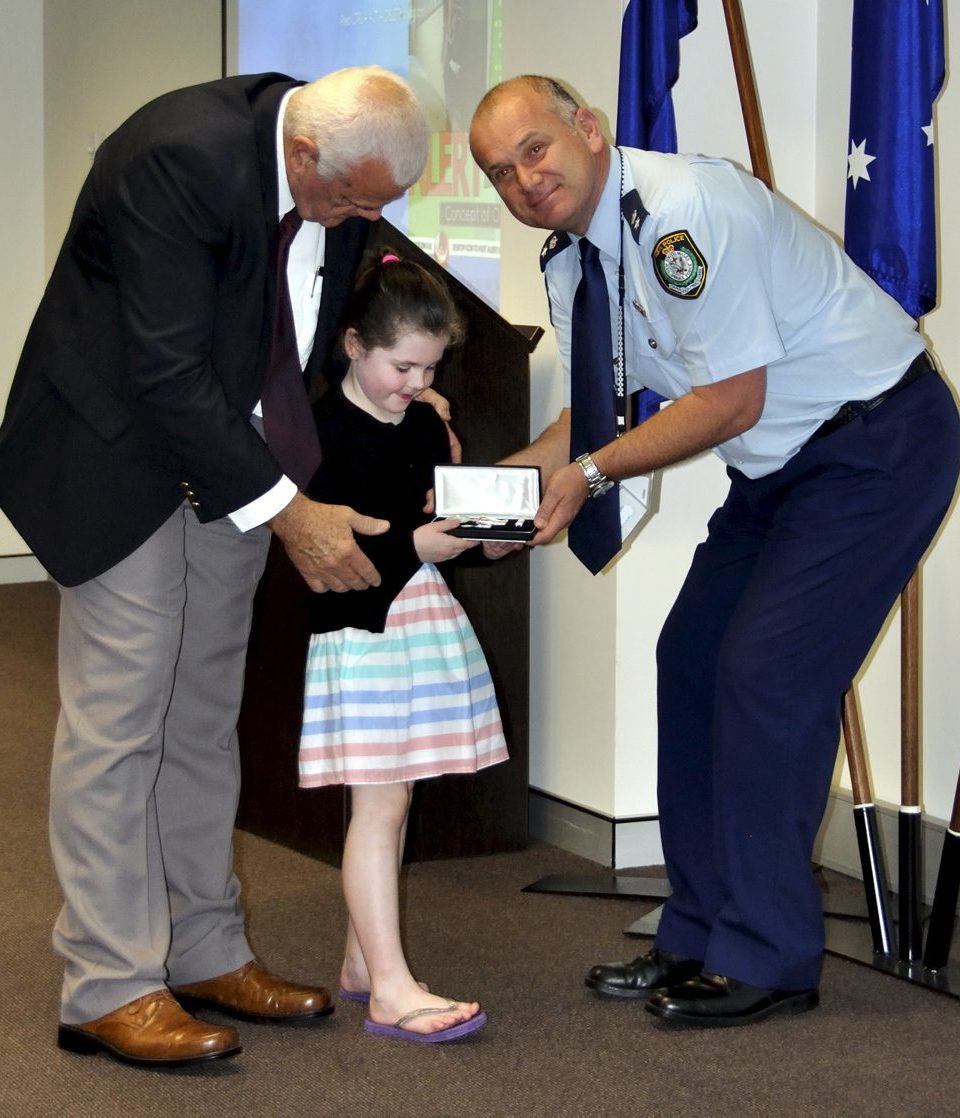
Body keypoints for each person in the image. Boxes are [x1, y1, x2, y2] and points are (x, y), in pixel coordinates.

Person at [469, 75, 960, 1026]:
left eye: (535, 150)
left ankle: (769, 955)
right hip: (782, 468)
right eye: (499, 172)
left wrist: (590, 476)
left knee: (768, 674)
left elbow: (731, 402)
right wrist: (497, 495)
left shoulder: (681, 213)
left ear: (587, 129)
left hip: (877, 443)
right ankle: (695, 932)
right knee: (691, 659)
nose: (524, 180)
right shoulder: (571, 261)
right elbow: (596, 415)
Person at [0, 66, 437, 1068]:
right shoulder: (177, 158)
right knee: (121, 721)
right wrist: (291, 513)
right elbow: (164, 369)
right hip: (117, 454)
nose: (364, 221)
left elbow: (298, 333)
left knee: (200, 714)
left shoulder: (339, 173)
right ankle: (108, 982)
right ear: (301, 155)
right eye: (352, 202)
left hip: (236, 460)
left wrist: (399, 397)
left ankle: (203, 949)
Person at [299, 255, 503, 1043]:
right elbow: (332, 559)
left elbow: (435, 521)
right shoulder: (322, 432)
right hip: (362, 631)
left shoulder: (421, 423)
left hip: (417, 618)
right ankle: (388, 987)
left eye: (430, 369)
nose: (416, 384)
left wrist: (487, 534)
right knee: (379, 806)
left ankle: (362, 963)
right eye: (402, 367)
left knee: (395, 799)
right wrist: (419, 544)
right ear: (354, 345)